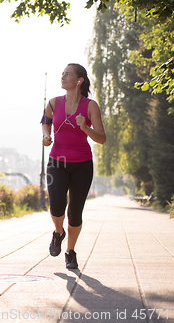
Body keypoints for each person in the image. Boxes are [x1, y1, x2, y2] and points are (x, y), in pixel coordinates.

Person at [41, 63, 106, 269]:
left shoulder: (90, 106)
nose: (63, 77)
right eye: (62, 74)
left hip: (82, 165)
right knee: (56, 204)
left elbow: (102, 138)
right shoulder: (53, 103)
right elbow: (45, 120)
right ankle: (58, 232)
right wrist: (46, 135)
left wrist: (85, 127)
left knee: (75, 213)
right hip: (56, 162)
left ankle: (70, 252)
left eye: (67, 74)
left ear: (79, 80)